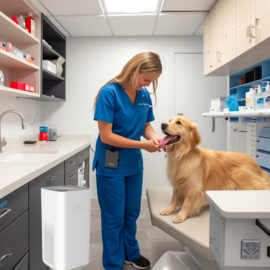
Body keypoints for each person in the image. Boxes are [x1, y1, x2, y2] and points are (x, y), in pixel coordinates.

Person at [92, 51, 164, 270]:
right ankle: (113, 263)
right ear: (134, 70)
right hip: (111, 161)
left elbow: (146, 126)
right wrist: (143, 145)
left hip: (133, 163)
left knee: (131, 213)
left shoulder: (143, 96)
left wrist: (155, 139)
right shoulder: (109, 92)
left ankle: (130, 253)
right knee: (114, 217)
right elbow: (107, 136)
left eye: (152, 81)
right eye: (146, 80)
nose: (148, 85)